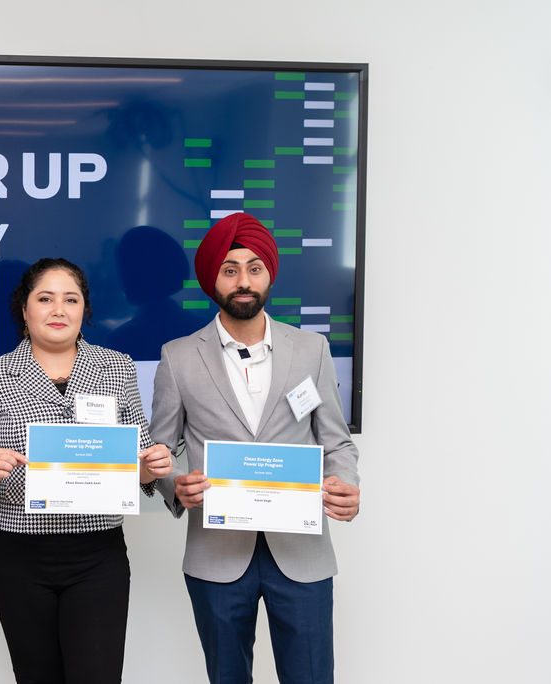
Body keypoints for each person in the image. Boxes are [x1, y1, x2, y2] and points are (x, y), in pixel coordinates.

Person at [150, 212, 361, 684]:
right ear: (213, 280)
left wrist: (345, 482)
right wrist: (173, 485)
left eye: (254, 268)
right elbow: (159, 449)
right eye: (229, 270)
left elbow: (336, 440)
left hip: (302, 551)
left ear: (269, 274)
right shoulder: (179, 355)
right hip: (216, 554)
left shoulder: (312, 348)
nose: (243, 281)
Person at [0, 257, 172, 684]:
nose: (58, 310)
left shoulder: (118, 367)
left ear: (84, 310)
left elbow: (139, 463)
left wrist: (152, 467)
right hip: (17, 555)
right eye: (45, 298)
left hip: (98, 554)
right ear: (24, 309)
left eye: (70, 299)